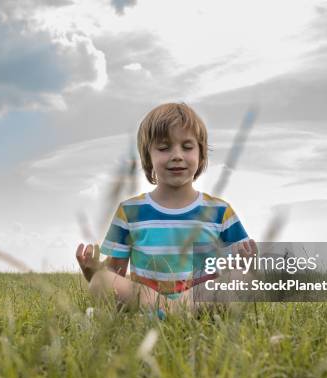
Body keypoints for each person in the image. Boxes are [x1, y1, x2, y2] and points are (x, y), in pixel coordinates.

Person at [76, 102, 256, 314]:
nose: (177, 155)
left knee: (241, 279)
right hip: (147, 300)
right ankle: (171, 313)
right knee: (100, 282)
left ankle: (169, 314)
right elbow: (115, 271)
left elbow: (243, 268)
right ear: (148, 157)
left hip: (200, 303)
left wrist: (247, 265)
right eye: (163, 148)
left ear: (201, 155)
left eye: (187, 147)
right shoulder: (130, 211)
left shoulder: (219, 211)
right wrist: (93, 272)